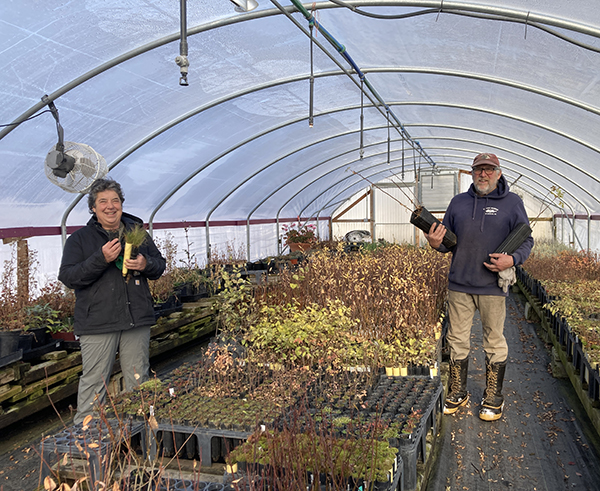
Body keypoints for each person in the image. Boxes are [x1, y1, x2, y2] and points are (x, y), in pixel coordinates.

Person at [425, 153, 533, 421]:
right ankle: (458, 391)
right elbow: (447, 242)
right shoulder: (458, 203)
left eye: (489, 170)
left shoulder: (512, 203)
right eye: (478, 170)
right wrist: (435, 243)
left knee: (494, 341)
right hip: (459, 285)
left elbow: (526, 240)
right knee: (456, 339)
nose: (483, 174)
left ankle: (493, 396)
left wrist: (512, 259)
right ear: (472, 173)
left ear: (498, 173)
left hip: (492, 287)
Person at [59, 178, 166, 425]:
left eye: (115, 200)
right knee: (94, 382)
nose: (110, 206)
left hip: (135, 319)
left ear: (121, 204)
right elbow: (69, 277)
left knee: (138, 379)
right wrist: (101, 258)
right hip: (98, 322)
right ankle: (88, 435)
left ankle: (140, 432)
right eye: (103, 202)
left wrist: (145, 264)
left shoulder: (137, 234)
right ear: (93, 208)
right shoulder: (80, 239)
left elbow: (159, 266)